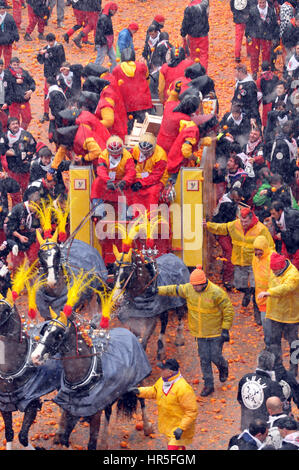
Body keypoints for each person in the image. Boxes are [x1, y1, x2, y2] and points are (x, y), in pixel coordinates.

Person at [157, 265, 234, 397]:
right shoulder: (189, 289)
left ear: (204, 283)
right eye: (193, 285)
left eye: (197, 286)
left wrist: (225, 329)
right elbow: (173, 289)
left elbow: (228, 310)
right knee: (204, 359)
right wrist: (156, 290)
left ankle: (223, 366)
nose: (194, 288)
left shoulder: (217, 293)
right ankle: (208, 385)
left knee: (215, 355)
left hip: (215, 333)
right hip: (199, 333)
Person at [205, 206, 275, 309]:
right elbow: (222, 228)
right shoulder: (235, 224)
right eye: (242, 221)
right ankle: (248, 293)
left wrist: (272, 261)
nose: (243, 224)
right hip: (239, 262)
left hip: (254, 263)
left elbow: (270, 246)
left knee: (255, 286)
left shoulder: (261, 229)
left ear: (251, 218)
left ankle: (257, 307)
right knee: (239, 286)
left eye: (245, 221)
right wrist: (207, 225)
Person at [132, 358, 198, 450]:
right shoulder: (162, 381)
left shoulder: (183, 388)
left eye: (162, 370)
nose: (160, 372)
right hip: (168, 426)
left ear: (170, 372)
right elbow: (154, 391)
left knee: (172, 448)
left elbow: (191, 411)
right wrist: (139, 391)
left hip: (179, 428)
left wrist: (181, 428)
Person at [258, 251, 299, 376]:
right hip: (275, 314)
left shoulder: (293, 275)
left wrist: (269, 293)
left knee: (294, 342)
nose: (274, 273)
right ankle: (277, 365)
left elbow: (286, 288)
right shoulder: (274, 268)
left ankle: (294, 366)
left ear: (281, 267)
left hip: (290, 315)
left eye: (275, 271)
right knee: (274, 342)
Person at [237, 349, 284, 431]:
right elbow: (279, 408)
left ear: (258, 362)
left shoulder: (245, 378)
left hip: (246, 425)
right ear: (272, 365)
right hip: (264, 429)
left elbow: (240, 399)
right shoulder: (273, 385)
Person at [90, 135, 136, 218]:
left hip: (121, 182)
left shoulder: (128, 156)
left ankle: (126, 215)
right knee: (96, 184)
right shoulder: (103, 155)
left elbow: (131, 172)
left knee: (129, 193)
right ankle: (98, 211)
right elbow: (101, 170)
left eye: (117, 152)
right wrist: (107, 181)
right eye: (113, 152)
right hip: (107, 182)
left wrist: (125, 181)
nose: (115, 154)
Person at [112, 48, 153, 134]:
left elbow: (115, 86)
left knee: (130, 130)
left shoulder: (116, 70)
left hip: (127, 105)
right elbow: (147, 80)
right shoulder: (142, 66)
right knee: (144, 129)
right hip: (143, 103)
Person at [128, 132, 168, 214]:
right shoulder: (136, 150)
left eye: (147, 152)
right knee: (132, 191)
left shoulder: (160, 156)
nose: (145, 154)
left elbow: (156, 176)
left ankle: (151, 216)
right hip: (140, 177)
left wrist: (141, 183)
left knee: (153, 192)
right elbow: (127, 159)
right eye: (143, 152)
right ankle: (135, 215)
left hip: (157, 180)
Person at [5, 187, 41, 271]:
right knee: (17, 265)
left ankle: (32, 281)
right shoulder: (18, 209)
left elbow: (38, 225)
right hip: (16, 239)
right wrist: (20, 236)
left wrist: (38, 229)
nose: (37, 208)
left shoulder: (37, 211)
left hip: (31, 238)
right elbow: (10, 228)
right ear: (30, 203)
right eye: (35, 206)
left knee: (34, 263)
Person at [4, 116, 36, 204]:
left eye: (17, 123)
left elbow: (33, 147)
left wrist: (28, 158)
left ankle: (27, 209)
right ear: (9, 126)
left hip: (25, 169)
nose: (15, 125)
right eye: (13, 124)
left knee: (26, 190)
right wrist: (14, 153)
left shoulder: (26, 135)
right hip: (13, 169)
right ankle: (17, 210)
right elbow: (2, 150)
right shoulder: (5, 137)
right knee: (14, 192)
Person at [245, 0, 280, 80]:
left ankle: (265, 71)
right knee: (254, 55)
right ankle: (254, 71)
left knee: (266, 54)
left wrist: (275, 37)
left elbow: (274, 25)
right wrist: (247, 35)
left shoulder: (271, 11)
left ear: (265, 2)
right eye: (260, 3)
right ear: (258, 2)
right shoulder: (253, 11)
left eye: (263, 2)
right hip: (255, 35)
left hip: (267, 36)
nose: (262, 4)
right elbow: (248, 24)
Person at [37, 32, 66, 123]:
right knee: (47, 94)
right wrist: (40, 54)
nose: (50, 44)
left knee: (60, 93)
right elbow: (41, 61)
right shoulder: (45, 49)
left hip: (57, 74)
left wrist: (46, 51)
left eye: (52, 41)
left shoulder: (59, 47)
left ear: (55, 40)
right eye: (49, 42)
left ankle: (60, 112)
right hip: (48, 75)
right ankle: (46, 114)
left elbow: (58, 55)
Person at [252, 235, 275, 331]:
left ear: (265, 248)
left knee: (269, 326)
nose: (257, 252)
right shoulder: (255, 258)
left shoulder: (273, 257)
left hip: (272, 297)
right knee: (266, 326)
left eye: (259, 250)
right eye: (255, 250)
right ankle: (268, 344)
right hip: (261, 297)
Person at [6, 57, 36, 130]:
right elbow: (5, 83)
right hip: (13, 102)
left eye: (17, 65)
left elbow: (32, 82)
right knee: (15, 121)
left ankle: (21, 132)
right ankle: (15, 135)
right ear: (10, 65)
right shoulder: (7, 73)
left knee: (27, 118)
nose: (16, 67)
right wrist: (14, 81)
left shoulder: (24, 72)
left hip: (24, 100)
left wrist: (31, 91)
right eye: (14, 65)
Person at [180, 0, 210, 71]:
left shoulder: (189, 9)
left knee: (194, 55)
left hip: (193, 36)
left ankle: (194, 72)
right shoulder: (205, 4)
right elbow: (207, 15)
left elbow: (186, 23)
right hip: (203, 35)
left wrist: (183, 33)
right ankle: (203, 73)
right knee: (203, 55)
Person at [270, 200, 299, 270]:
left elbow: (296, 237)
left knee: (294, 269)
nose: (272, 216)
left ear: (280, 211)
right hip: (287, 245)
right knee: (285, 267)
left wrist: (283, 235)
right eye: (271, 214)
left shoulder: (292, 216)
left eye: (273, 213)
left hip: (296, 246)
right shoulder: (274, 218)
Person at [94, 2, 118, 71]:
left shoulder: (107, 16)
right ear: (109, 9)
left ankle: (112, 72)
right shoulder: (104, 17)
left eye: (115, 11)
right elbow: (100, 32)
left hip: (107, 42)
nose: (114, 12)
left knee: (113, 58)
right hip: (103, 42)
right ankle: (93, 72)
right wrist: (103, 42)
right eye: (113, 10)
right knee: (100, 60)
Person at [256, 61, 279, 127]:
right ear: (269, 68)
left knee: (267, 124)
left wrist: (257, 106)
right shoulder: (275, 77)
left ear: (261, 68)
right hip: (276, 102)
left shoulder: (259, 80)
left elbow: (259, 95)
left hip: (266, 104)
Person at [0, 1, 19, 69]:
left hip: (7, 40)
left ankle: (7, 69)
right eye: (0, 9)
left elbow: (14, 29)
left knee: (7, 57)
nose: (1, 10)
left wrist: (16, 39)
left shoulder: (9, 17)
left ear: (5, 9)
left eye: (3, 8)